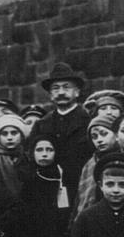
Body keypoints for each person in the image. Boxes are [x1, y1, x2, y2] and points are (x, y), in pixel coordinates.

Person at [30, 62, 92, 203]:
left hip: (81, 189)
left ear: (77, 92)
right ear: (51, 95)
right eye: (56, 88)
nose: (61, 92)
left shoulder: (89, 121)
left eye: (66, 87)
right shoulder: (42, 124)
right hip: (48, 190)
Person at [19, 135, 70, 237]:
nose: (44, 154)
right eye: (39, 150)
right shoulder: (26, 177)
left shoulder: (64, 176)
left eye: (49, 150)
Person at [0, 113, 31, 197]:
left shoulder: (28, 158)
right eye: (4, 134)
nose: (9, 137)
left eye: (14, 133)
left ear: (22, 136)